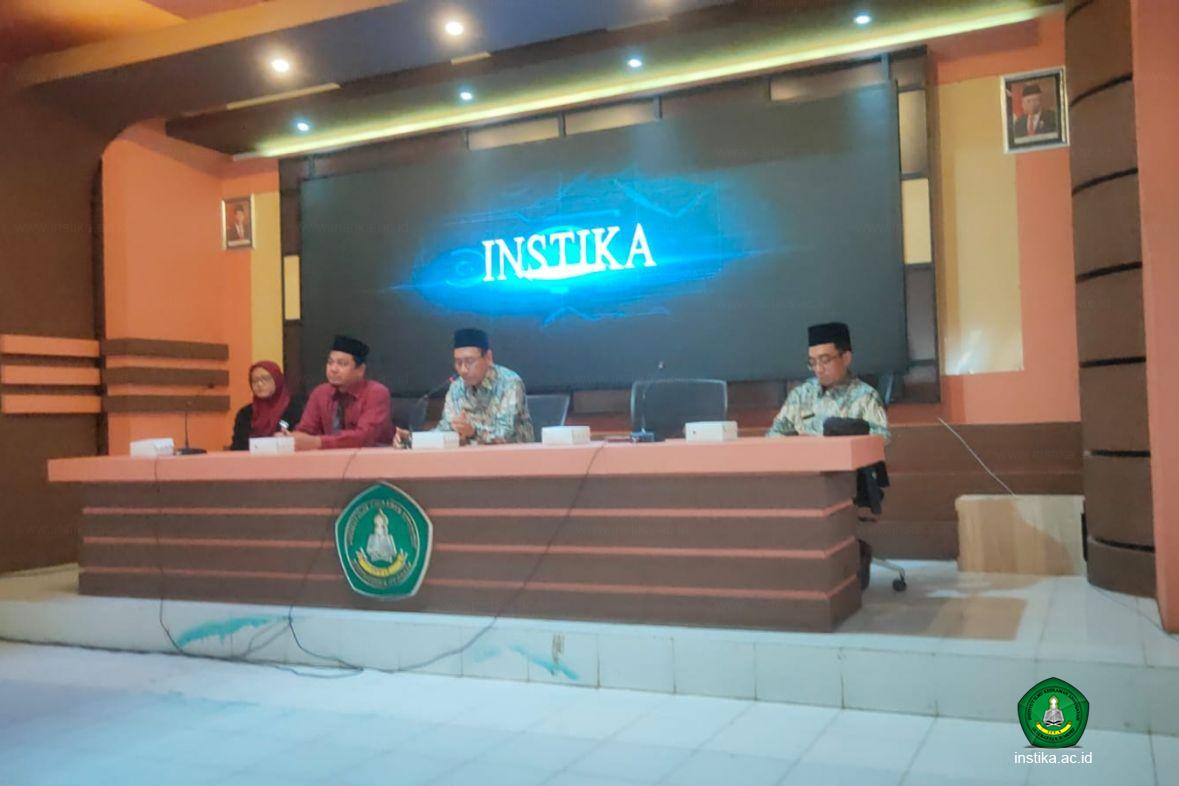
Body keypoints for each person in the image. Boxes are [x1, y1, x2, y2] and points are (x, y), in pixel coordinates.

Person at [767, 322, 889, 442]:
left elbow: (881, 439)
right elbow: (773, 434)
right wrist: (800, 442)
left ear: (846, 358)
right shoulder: (801, 394)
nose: (818, 369)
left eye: (825, 360)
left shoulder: (865, 397)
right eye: (812, 362)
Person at [288, 335, 394, 450]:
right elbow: (305, 430)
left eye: (342, 364)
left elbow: (364, 437)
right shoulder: (320, 393)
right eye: (330, 362)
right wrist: (290, 438)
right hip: (329, 457)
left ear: (360, 370)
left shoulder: (376, 393)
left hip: (373, 456)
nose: (333, 369)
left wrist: (318, 442)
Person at [435, 328, 533, 445]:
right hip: (469, 455)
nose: (463, 369)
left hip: (513, 454)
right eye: (458, 362)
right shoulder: (456, 387)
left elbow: (506, 433)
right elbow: (445, 427)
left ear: (488, 358)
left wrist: (473, 432)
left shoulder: (509, 383)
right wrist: (417, 438)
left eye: (469, 361)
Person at [230, 360, 305, 450]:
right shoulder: (245, 413)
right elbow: (238, 446)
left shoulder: (294, 409)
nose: (259, 384)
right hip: (250, 458)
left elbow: (301, 441)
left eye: (265, 379)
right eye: (255, 381)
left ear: (277, 380)